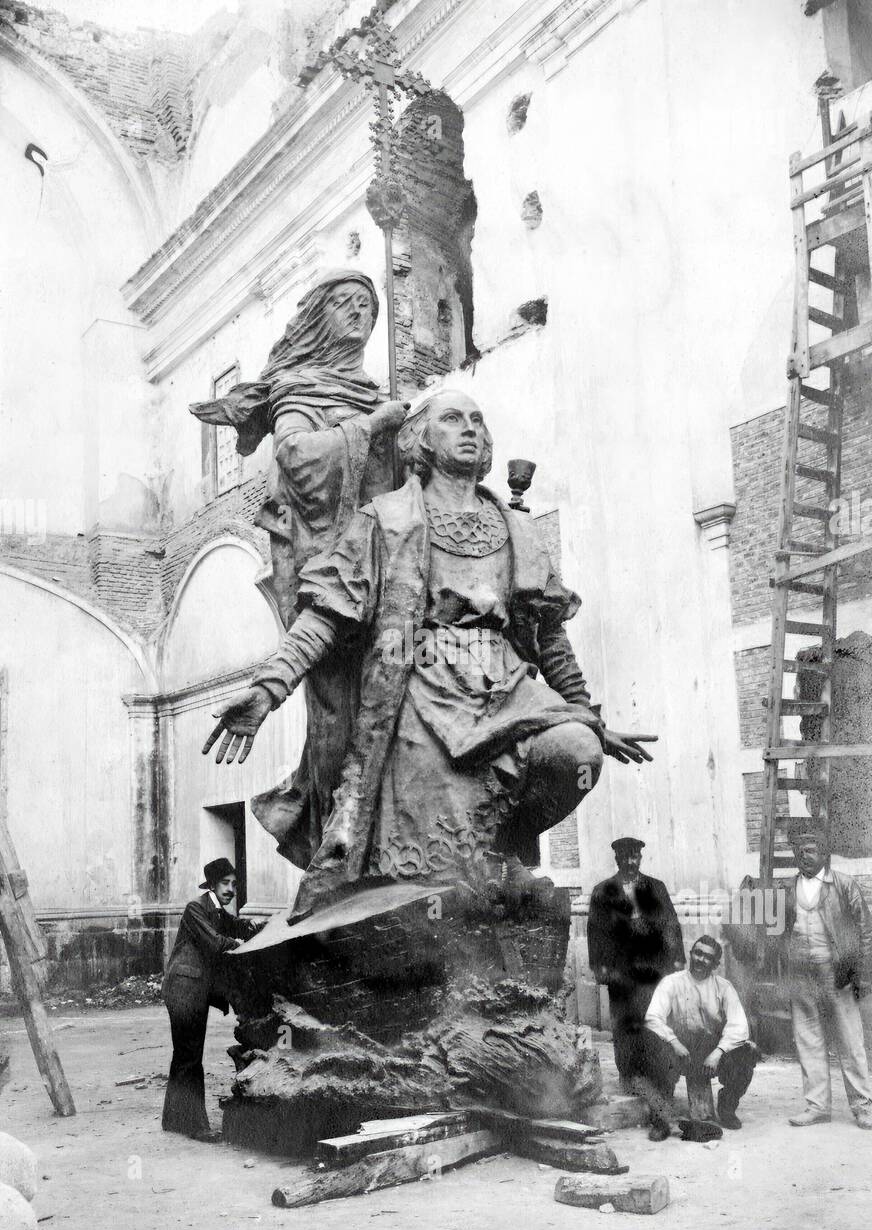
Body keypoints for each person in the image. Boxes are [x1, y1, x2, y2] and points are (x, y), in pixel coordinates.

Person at [203, 390, 657, 915]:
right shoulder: (387, 518)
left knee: (578, 752)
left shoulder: (517, 529)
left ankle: (502, 848)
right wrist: (268, 690)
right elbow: (325, 615)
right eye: (451, 419)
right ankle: (447, 914)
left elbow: (549, 635)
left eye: (477, 420)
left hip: (510, 689)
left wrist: (589, 716)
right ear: (420, 439)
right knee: (436, 870)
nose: (469, 429)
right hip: (420, 691)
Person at [190, 271, 409, 874]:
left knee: (391, 705)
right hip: (322, 569)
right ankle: (325, 847)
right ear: (318, 316)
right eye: (346, 304)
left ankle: (383, 846)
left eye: (369, 307)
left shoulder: (374, 393)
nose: (361, 316)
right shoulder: (297, 389)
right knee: (338, 712)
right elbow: (299, 461)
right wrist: (373, 427)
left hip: (386, 566)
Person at [784, 827, 872, 1129]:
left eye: (810, 851)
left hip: (837, 974)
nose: (803, 856)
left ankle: (863, 1106)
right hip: (800, 975)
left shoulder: (844, 885)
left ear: (824, 854)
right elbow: (776, 931)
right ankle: (817, 1105)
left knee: (850, 1040)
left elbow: (865, 931)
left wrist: (862, 975)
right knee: (808, 1039)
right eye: (799, 851)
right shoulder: (787, 887)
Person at [161, 858, 253, 1142]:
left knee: (183, 1055)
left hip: (190, 989)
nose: (231, 890)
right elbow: (215, 943)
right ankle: (197, 1126)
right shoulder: (196, 908)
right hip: (184, 989)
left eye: (234, 885)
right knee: (190, 1056)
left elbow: (237, 925)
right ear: (212, 885)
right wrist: (238, 944)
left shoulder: (215, 910)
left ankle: (174, 1120)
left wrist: (261, 927)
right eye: (225, 884)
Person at [587, 838, 685, 1092]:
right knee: (624, 1023)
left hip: (654, 967)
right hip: (622, 970)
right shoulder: (602, 891)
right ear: (617, 859)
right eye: (625, 857)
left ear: (640, 858)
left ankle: (660, 1076)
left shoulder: (656, 887)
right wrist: (601, 967)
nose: (630, 862)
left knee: (656, 1019)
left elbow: (671, 925)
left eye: (635, 857)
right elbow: (595, 932)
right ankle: (629, 1076)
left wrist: (676, 959)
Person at [639, 934, 757, 1140]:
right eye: (697, 953)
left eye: (708, 957)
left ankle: (727, 1106)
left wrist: (718, 1052)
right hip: (679, 1047)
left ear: (715, 964)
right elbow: (652, 1017)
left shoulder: (723, 987)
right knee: (653, 1049)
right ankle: (661, 1119)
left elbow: (739, 1026)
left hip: (711, 1049)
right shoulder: (671, 982)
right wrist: (673, 1042)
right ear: (690, 954)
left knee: (747, 1053)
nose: (701, 960)